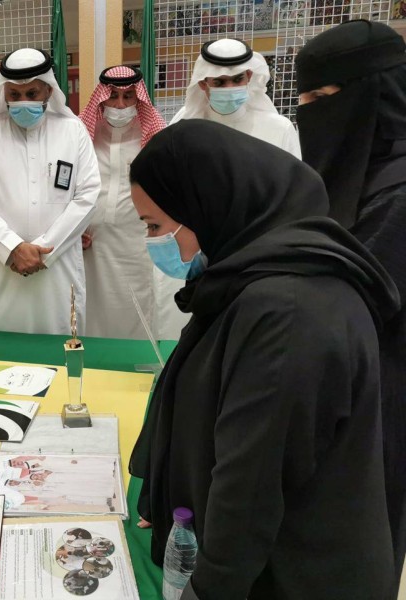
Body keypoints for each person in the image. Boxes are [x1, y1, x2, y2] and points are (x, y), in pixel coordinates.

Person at [127, 120, 398, 599]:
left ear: (208, 207)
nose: (153, 242)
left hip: (292, 576)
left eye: (155, 226)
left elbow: (251, 487)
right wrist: (167, 491)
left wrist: (206, 589)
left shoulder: (287, 312)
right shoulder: (246, 279)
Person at [295, 19, 406, 597]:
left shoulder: (398, 193)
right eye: (304, 101)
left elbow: (352, 297)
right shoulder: (353, 169)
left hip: (381, 398)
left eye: (322, 98)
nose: (310, 115)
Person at [0, 48, 100, 334]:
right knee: (1, 346)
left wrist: (45, 251)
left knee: (61, 340)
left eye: (32, 93)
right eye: (15, 94)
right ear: (3, 93)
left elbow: (88, 196)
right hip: (2, 267)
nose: (23, 101)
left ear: (48, 90)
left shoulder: (73, 131)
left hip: (58, 268)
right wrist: (12, 247)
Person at [78, 65, 185, 340]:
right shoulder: (82, 133)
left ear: (139, 99)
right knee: (90, 306)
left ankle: (134, 361)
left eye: (128, 96)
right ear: (102, 98)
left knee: (136, 305)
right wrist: (72, 230)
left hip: (136, 242)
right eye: (113, 96)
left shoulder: (154, 134)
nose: (120, 105)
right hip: (91, 242)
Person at [172, 38, 301, 157]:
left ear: (249, 76)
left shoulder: (279, 129)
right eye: (219, 82)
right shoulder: (184, 127)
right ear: (202, 83)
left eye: (238, 80)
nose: (230, 88)